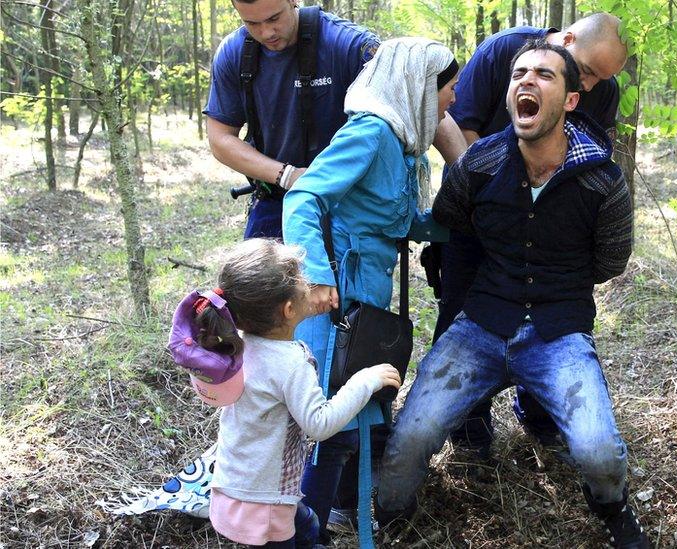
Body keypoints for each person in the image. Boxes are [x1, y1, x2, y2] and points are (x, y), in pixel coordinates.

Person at [375, 40, 648, 548]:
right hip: (480, 326)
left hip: (558, 334)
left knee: (599, 455)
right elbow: (450, 222)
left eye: (544, 75)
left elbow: (610, 261)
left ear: (570, 100)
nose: (527, 80)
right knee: (409, 441)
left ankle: (613, 510)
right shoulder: (479, 163)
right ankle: (391, 517)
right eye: (519, 72)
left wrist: (556, 281)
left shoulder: (603, 182)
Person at [281, 38, 458, 545]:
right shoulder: (372, 133)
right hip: (335, 300)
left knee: (349, 414)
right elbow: (303, 197)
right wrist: (314, 275)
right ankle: (302, 533)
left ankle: (323, 519)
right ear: (417, 86)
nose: (450, 102)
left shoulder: (400, 144)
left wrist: (463, 225)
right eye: (447, 89)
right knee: (328, 421)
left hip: (366, 300)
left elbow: (393, 219)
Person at [436, 12, 629, 456]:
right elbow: (458, 124)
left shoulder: (603, 90)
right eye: (587, 72)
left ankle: (542, 414)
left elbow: (593, 155)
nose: (594, 85)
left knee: (553, 322)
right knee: (462, 311)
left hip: (552, 230)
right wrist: (491, 193)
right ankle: (469, 426)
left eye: (602, 78)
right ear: (566, 38)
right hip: (478, 214)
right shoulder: (505, 52)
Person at [168, 238, 401, 548]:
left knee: (307, 524)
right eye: (303, 281)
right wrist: (365, 381)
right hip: (265, 503)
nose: (309, 284)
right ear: (289, 309)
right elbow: (319, 424)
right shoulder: (290, 363)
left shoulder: (235, 342)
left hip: (234, 487)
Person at [204, 0, 466, 239]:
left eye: (274, 19)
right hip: (276, 197)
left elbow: (419, 102)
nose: (266, 33)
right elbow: (220, 138)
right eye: (252, 23)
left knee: (336, 291)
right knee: (259, 287)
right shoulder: (235, 53)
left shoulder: (350, 45)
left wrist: (469, 179)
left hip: (348, 206)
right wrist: (288, 175)